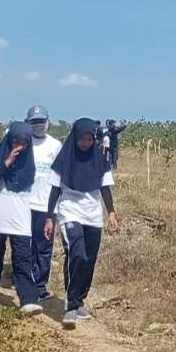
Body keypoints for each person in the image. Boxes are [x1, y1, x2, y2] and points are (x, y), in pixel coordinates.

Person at [45, 118, 120, 329]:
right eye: (82, 139)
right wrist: (49, 217)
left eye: (90, 139)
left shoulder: (100, 160)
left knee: (89, 260)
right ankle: (71, 304)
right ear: (75, 137)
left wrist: (111, 213)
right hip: (69, 211)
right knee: (76, 253)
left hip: (92, 215)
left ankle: (80, 299)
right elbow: (54, 190)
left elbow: (105, 189)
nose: (86, 143)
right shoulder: (64, 159)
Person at [0, 122, 43, 316]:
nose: (20, 147)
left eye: (24, 143)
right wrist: (6, 163)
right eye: (16, 142)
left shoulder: (30, 164)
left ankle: (28, 299)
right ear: (10, 140)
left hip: (20, 216)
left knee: (23, 257)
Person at [25, 105, 62, 300]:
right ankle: (24, 279)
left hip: (47, 204)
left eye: (41, 121)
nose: (38, 125)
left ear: (48, 121)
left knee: (44, 247)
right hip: (24, 203)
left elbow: (61, 175)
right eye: (34, 122)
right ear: (28, 123)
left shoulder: (55, 146)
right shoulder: (23, 142)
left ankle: (40, 285)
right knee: (25, 244)